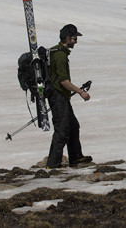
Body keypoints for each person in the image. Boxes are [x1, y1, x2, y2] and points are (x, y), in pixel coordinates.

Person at [46, 24, 93, 169]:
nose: (76, 41)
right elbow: (63, 81)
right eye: (74, 38)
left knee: (73, 126)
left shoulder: (59, 52)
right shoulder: (60, 55)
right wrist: (81, 92)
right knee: (62, 130)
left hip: (61, 96)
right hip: (58, 96)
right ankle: (52, 165)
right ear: (67, 38)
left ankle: (75, 157)